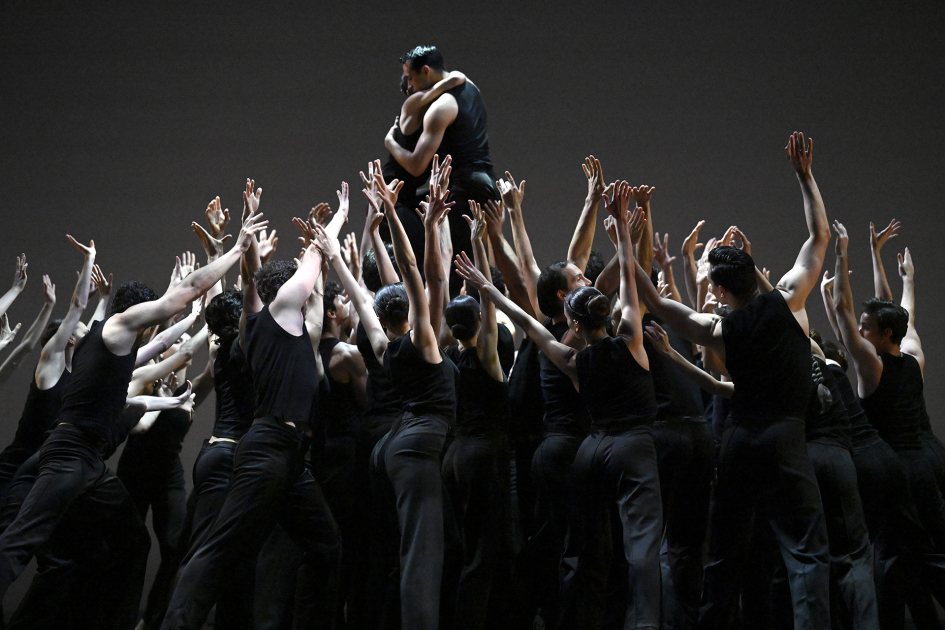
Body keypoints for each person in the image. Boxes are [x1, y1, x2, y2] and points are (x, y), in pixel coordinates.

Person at [631, 132, 832, 630]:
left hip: (741, 438)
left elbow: (654, 304)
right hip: (786, 437)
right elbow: (819, 238)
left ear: (719, 290)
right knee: (806, 553)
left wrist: (620, 233)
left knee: (724, 552)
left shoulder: (717, 328)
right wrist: (805, 177)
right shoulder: (790, 300)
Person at [161, 183, 340, 630]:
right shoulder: (279, 314)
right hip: (267, 449)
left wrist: (245, 240)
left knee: (326, 545)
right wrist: (334, 221)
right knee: (221, 549)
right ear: (285, 297)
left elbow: (248, 284)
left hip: (290, 455)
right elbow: (313, 262)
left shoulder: (255, 324)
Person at [318, 166, 457, 630]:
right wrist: (415, 219)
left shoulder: (382, 344)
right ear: (411, 314)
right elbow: (421, 272)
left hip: (385, 449)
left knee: (391, 548)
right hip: (415, 445)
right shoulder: (424, 342)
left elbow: (360, 294)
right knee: (422, 556)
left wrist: (337, 252)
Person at [441, 202, 513, 629]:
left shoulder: (450, 354)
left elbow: (468, 303)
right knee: (485, 552)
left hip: (458, 455)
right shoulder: (488, 356)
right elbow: (486, 300)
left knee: (469, 547)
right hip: (484, 456)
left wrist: (474, 244)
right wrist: (480, 245)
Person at [385, 45, 499, 295]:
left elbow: (416, 166)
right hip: (489, 184)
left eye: (411, 78)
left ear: (425, 71)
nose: (410, 85)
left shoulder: (441, 108)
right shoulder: (470, 85)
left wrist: (391, 143)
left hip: (465, 189)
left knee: (460, 278)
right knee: (484, 272)